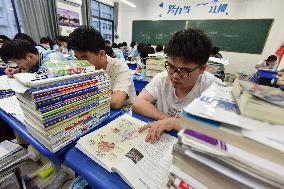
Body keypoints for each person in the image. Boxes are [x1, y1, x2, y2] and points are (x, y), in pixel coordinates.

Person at [133, 28, 222, 143]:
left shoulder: (214, 88)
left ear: (202, 68)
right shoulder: (162, 78)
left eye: (184, 70)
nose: (174, 75)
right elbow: (138, 103)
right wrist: (170, 120)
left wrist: (176, 123)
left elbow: (220, 131)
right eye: (171, 66)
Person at [68, 26, 136, 110]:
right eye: (77, 58)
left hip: (125, 113)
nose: (81, 64)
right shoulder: (85, 70)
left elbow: (116, 102)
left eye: (85, 58)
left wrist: (83, 95)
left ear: (101, 54)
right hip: (98, 111)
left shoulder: (120, 66)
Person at [1, 39, 66, 78]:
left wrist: (22, 73)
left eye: (17, 62)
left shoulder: (52, 57)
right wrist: (18, 71)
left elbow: (43, 80)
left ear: (30, 57)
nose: (18, 66)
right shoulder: (35, 56)